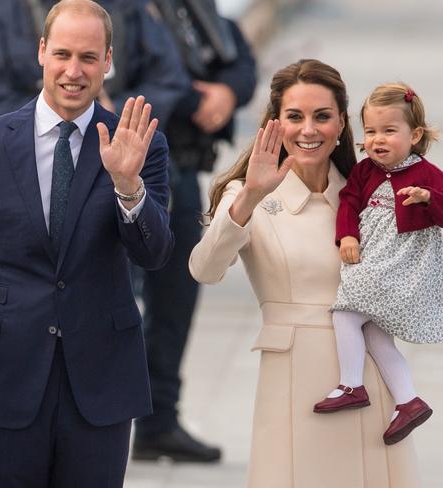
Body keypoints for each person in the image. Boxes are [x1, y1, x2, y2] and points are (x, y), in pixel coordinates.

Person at [0, 1, 173, 486]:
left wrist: (127, 186)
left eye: (89, 58)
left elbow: (154, 255)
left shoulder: (139, 143)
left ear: (108, 61)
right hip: (5, 376)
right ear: (42, 52)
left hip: (102, 382)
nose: (74, 72)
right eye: (63, 55)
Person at [189, 59, 419, 487]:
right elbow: (205, 269)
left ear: (341, 125)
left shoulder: (369, 192)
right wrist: (250, 198)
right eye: (294, 117)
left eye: (322, 116)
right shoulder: (247, 195)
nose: (308, 130)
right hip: (294, 381)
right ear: (275, 123)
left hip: (370, 378)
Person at [132, 0, 256, 463]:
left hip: (179, 172)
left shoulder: (188, 7)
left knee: (174, 304)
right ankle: (86, 425)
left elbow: (238, 56)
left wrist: (226, 93)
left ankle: (157, 423)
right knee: (110, 305)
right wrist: (190, 100)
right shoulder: (98, 14)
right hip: (116, 170)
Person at [314, 83, 442, 445]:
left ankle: (351, 384)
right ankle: (408, 400)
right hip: (372, 258)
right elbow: (349, 204)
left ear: (414, 135)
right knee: (374, 333)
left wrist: (428, 198)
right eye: (370, 131)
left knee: (345, 313)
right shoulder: (364, 171)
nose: (377, 140)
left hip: (399, 267)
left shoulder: (427, 174)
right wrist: (348, 236)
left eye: (389, 131)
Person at [0, 0, 190, 126]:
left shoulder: (131, 7)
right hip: (31, 158)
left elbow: (168, 80)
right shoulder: (10, 10)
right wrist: (47, 119)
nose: (73, 72)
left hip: (122, 148)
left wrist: (112, 114)